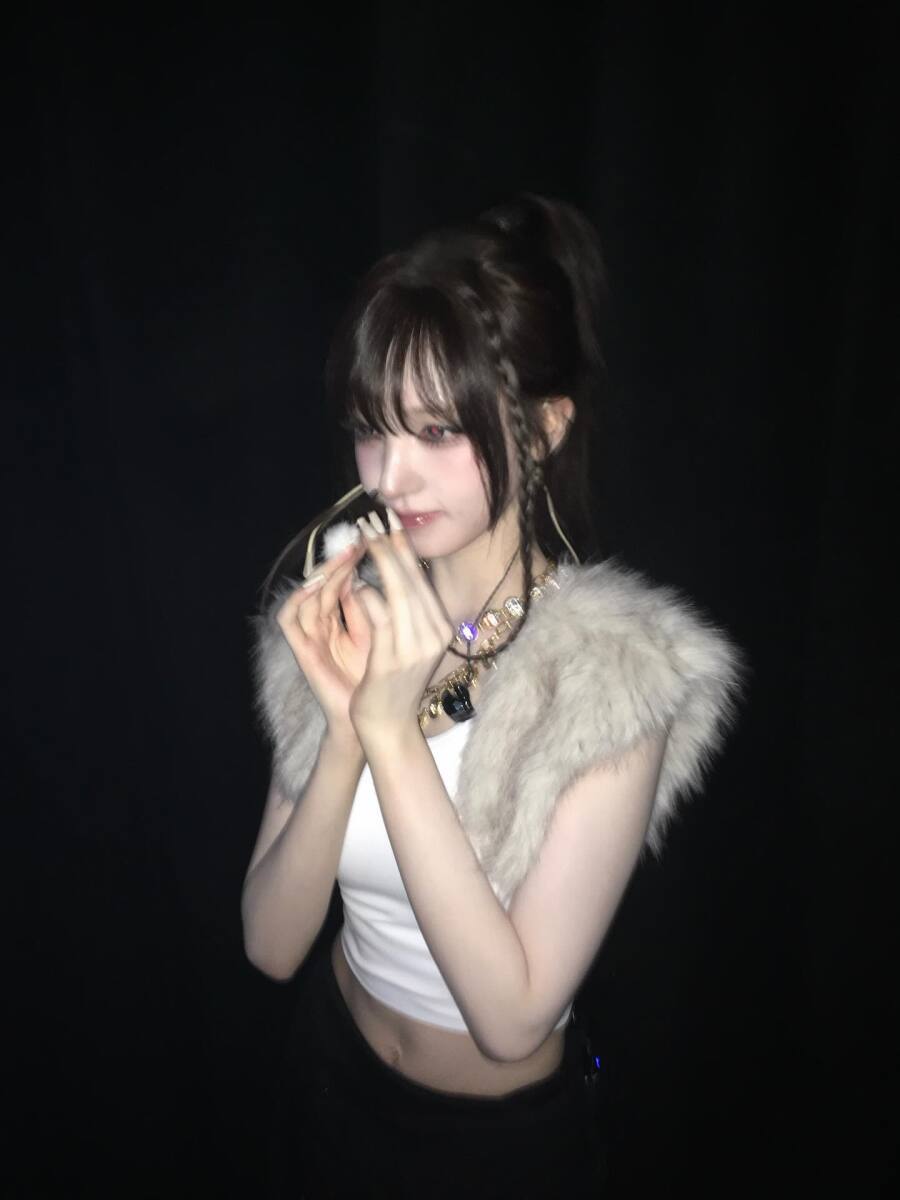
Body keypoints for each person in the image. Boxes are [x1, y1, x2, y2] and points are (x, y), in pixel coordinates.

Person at [243, 194, 745, 1197]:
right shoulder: (351, 607)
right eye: (372, 428)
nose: (392, 477)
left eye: (438, 430)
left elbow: (512, 1018)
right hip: (326, 1076)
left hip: (490, 1152)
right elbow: (270, 944)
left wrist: (391, 732)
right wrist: (341, 731)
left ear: (545, 427)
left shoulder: (612, 671)